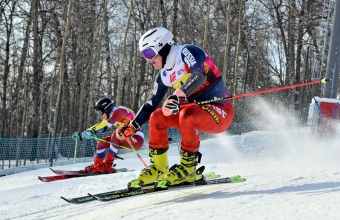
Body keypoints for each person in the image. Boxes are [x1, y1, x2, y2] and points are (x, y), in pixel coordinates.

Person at [115, 27, 234, 188]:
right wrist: (132, 126)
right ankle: (159, 168)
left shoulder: (187, 52)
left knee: (187, 113)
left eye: (149, 54)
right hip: (195, 113)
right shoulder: (164, 75)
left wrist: (179, 95)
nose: (148, 60)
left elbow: (199, 74)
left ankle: (188, 168)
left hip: (219, 111)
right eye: (144, 56)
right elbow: (151, 104)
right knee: (157, 116)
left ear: (161, 46)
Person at [72, 98, 144, 173]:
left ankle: (107, 165)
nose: (100, 116)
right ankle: (98, 166)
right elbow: (101, 125)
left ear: (107, 109)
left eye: (100, 112)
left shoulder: (119, 111)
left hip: (136, 139)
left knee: (116, 133)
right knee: (101, 143)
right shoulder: (111, 115)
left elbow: (106, 125)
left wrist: (91, 132)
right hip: (125, 138)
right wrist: (84, 133)